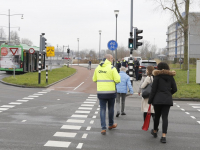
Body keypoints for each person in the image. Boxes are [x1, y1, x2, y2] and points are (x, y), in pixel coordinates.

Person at [148, 62, 177, 143]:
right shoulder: (171, 77)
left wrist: (150, 101)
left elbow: (153, 91)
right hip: (167, 100)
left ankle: (154, 131)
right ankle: (164, 136)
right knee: (165, 117)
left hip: (157, 100)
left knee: (157, 116)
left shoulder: (157, 77)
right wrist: (168, 94)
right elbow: (175, 89)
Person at [93, 54, 121, 135]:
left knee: (102, 109)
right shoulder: (112, 68)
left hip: (101, 92)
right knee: (111, 108)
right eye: (112, 58)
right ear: (108, 59)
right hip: (111, 92)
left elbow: (94, 79)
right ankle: (111, 124)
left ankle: (103, 128)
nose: (113, 59)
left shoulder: (98, 68)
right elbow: (118, 79)